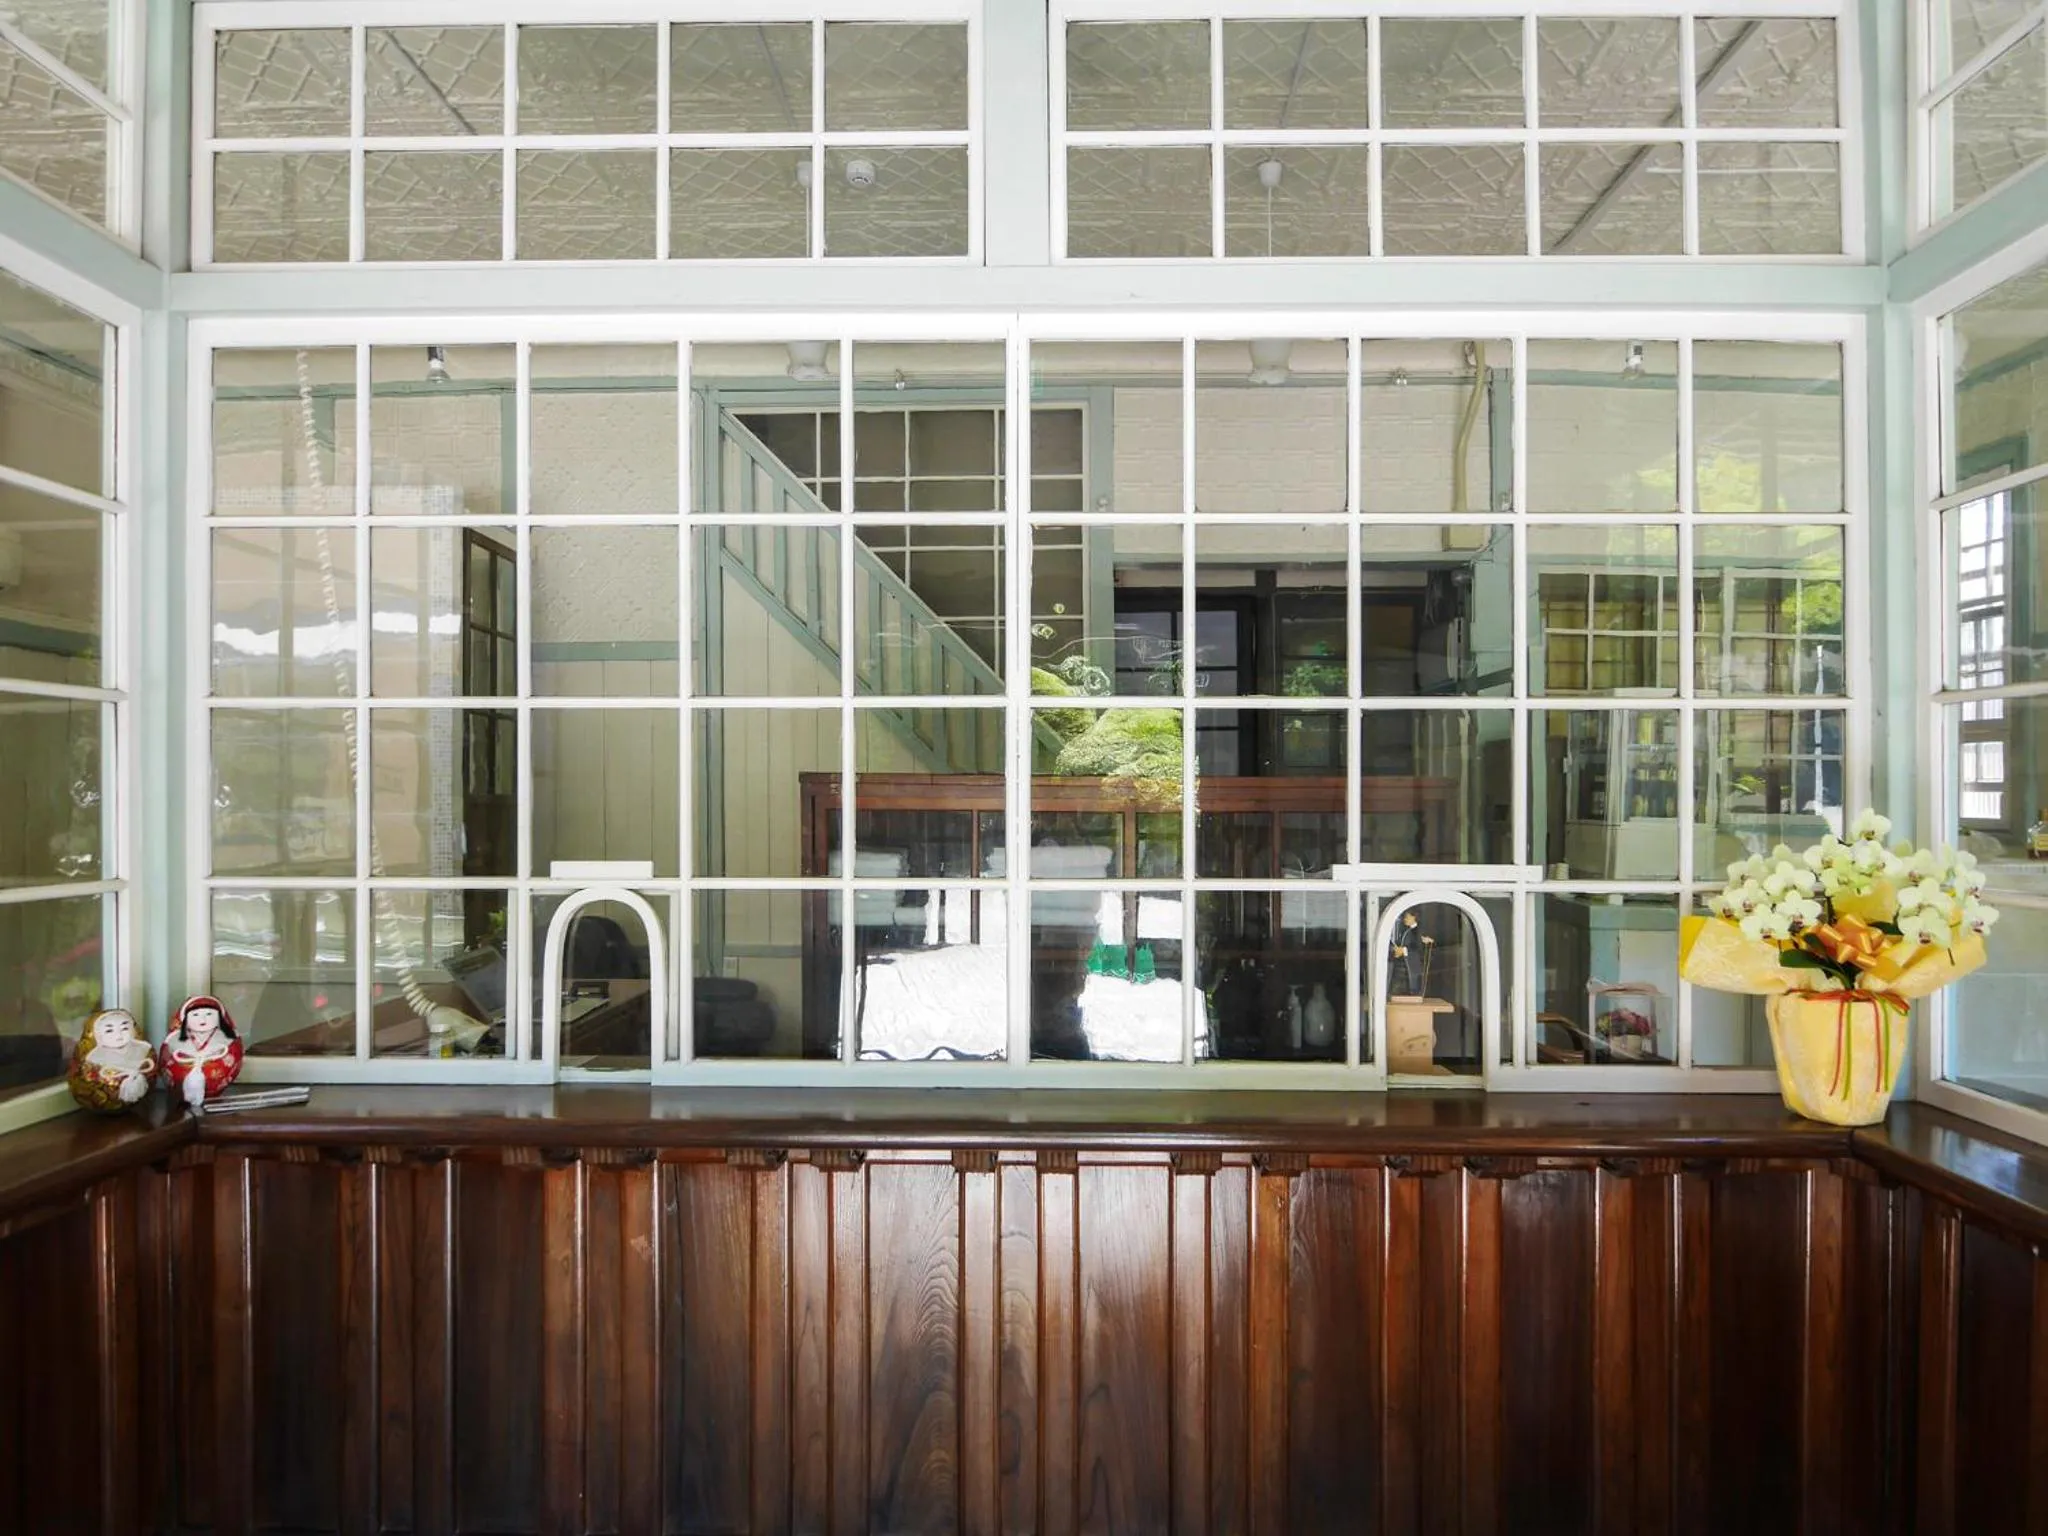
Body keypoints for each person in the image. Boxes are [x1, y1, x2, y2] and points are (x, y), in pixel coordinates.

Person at [158, 995, 245, 1109]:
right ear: (185, 1018)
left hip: (215, 1096)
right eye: (195, 1015)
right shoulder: (174, 1040)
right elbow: (167, 1060)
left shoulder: (228, 1039)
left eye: (209, 1014)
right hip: (180, 1098)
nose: (203, 1020)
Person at [67, 1008, 156, 1112]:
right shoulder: (94, 1058)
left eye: (125, 1028)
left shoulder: (143, 1050)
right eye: (109, 1031)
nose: (118, 1035)